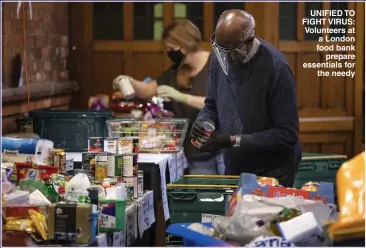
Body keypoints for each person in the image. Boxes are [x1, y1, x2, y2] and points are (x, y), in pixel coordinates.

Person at [190, 10, 302, 187]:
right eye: (220, 50)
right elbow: (211, 105)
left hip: (273, 171)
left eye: (231, 51)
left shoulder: (277, 68)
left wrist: (232, 140)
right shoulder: (220, 57)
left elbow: (287, 134)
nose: (224, 57)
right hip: (236, 166)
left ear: (248, 41)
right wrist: (204, 123)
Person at [116, 19, 225, 175]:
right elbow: (147, 90)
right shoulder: (176, 71)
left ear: (185, 43)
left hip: (222, 148)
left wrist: (182, 97)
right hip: (196, 152)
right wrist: (129, 81)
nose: (169, 53)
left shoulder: (217, 64)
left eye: (171, 48)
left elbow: (222, 104)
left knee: (231, 196)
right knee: (205, 198)